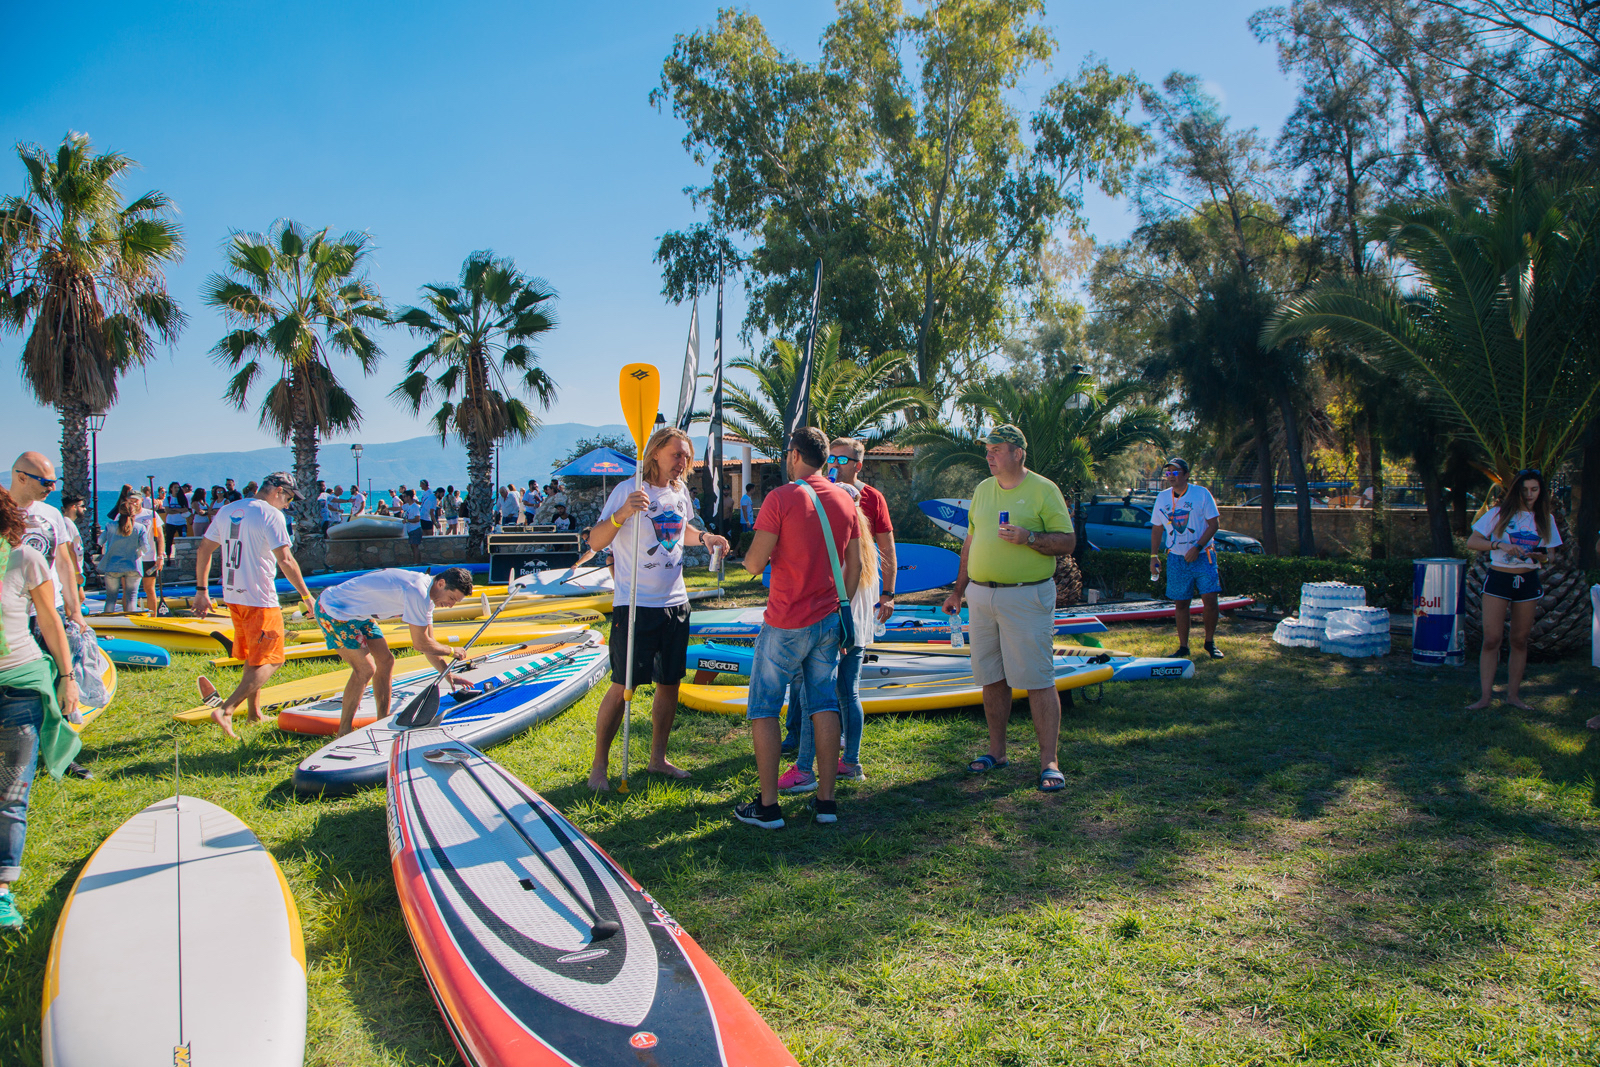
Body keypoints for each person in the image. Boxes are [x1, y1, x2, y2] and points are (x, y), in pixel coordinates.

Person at [585, 427, 730, 792]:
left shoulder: (680, 492)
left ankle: (657, 759)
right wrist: (622, 513)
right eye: (676, 454)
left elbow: (681, 531)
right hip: (636, 606)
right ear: (654, 453)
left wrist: (706, 537)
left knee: (669, 683)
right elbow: (596, 540)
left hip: (675, 604)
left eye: (686, 456)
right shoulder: (628, 489)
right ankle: (599, 767)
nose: (682, 462)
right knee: (624, 685)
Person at [734, 427, 861, 829]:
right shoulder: (845, 499)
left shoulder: (781, 497)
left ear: (793, 455)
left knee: (764, 708)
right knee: (824, 704)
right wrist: (839, 606)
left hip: (786, 620)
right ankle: (826, 803)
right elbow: (855, 566)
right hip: (828, 621)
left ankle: (769, 807)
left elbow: (754, 564)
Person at [940, 424, 1075, 792]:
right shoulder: (983, 490)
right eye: (987, 449)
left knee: (1038, 678)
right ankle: (997, 752)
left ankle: (1049, 762)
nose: (989, 456)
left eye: (996, 449)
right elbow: (970, 543)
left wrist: (1029, 538)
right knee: (991, 677)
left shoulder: (1044, 490)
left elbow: (1067, 542)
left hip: (1026, 596)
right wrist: (958, 591)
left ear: (1018, 453)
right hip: (981, 597)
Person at [0, 485, 82, 929]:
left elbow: (50, 621)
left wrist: (67, 679)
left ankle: (1, 891)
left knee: (10, 793)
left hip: (19, 684)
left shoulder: (24, 559)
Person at [192, 473, 316, 738]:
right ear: (278, 491)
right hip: (259, 597)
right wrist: (307, 596)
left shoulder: (228, 510)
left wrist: (202, 591)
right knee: (274, 659)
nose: (288, 504)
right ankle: (226, 710)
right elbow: (285, 559)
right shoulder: (271, 514)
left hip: (233, 595)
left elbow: (203, 549)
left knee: (255, 657)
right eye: (289, 498)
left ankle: (254, 714)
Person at [779, 481, 878, 793]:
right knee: (849, 696)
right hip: (857, 632)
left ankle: (804, 769)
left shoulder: (840, 544)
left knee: (813, 700)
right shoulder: (867, 546)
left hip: (833, 632)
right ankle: (851, 763)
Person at [314, 567, 476, 735]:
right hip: (333, 610)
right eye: (451, 598)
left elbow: (429, 643)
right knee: (365, 669)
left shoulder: (427, 597)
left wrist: (448, 674)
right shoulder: (418, 591)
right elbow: (421, 644)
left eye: (455, 602)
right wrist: (452, 650)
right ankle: (344, 732)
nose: (450, 605)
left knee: (386, 661)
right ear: (441, 583)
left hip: (359, 615)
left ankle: (382, 721)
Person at [1465, 468, 1561, 711]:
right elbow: (1472, 541)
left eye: (1534, 489)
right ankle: (1485, 698)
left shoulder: (1545, 518)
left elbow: (1551, 556)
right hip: (1499, 578)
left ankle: (1513, 696)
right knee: (1492, 639)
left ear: (1541, 491)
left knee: (1519, 639)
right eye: (1524, 489)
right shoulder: (1499, 513)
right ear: (1516, 489)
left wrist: (1540, 557)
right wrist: (1500, 545)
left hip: (1528, 580)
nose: (1529, 494)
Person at [1148, 457, 1224, 659]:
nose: (1171, 476)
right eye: (1168, 472)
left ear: (1187, 475)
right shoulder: (1162, 497)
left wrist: (1198, 547)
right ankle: (1183, 646)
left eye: (1175, 472)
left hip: (1203, 556)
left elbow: (1214, 524)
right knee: (1181, 603)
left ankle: (1210, 642)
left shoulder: (1201, 494)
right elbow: (1157, 528)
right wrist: (1154, 556)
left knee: (1210, 599)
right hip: (1176, 558)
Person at [6, 453, 89, 634]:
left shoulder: (52, 514)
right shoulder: (4, 514)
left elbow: (64, 563)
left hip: (52, 609)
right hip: (11, 613)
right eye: (46, 482)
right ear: (22, 478)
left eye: (54, 482)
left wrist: (75, 611)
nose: (52, 488)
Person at [99, 495, 151, 613]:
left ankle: (107, 622)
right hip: (133, 565)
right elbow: (145, 548)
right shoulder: (140, 528)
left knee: (110, 598)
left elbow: (100, 541)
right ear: (134, 513)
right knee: (132, 598)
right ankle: (130, 621)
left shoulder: (110, 525)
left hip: (112, 565)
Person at [163, 482, 189, 557]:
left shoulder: (182, 498)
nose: (176, 489)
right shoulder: (168, 499)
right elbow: (168, 511)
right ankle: (168, 556)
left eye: (178, 487)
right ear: (171, 488)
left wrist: (175, 509)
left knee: (183, 540)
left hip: (182, 522)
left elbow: (186, 509)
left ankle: (183, 555)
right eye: (175, 487)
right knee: (169, 540)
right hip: (170, 522)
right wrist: (179, 510)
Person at [400, 491, 424, 564]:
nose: (403, 498)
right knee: (413, 547)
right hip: (410, 530)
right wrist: (388, 509)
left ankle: (416, 563)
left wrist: (407, 520)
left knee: (415, 546)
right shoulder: (408, 506)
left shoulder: (415, 507)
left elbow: (417, 519)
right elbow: (398, 508)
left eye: (404, 496)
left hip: (415, 529)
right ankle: (416, 562)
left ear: (409, 497)